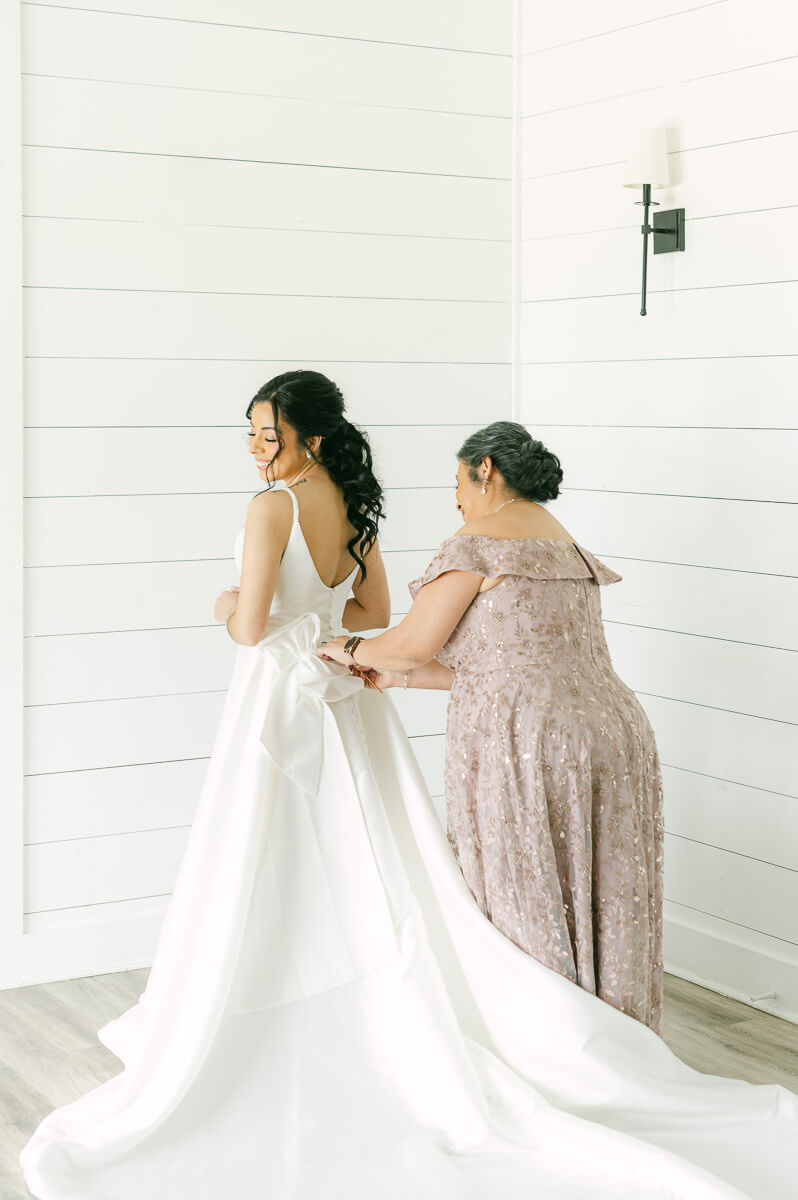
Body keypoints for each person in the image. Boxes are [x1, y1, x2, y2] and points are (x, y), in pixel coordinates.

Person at [20, 379, 798, 1199]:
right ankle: (547, 1029)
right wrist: (342, 644)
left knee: (265, 850)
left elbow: (257, 628)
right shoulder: (362, 513)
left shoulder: (277, 512)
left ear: (310, 441)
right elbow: (375, 609)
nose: (256, 449)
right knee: (374, 852)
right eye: (249, 434)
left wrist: (227, 607)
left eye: (269, 435)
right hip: (370, 692)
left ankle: (275, 1008)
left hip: (292, 691)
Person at [320, 421, 663, 1032]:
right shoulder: (566, 545)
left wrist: (347, 647)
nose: (455, 497)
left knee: (522, 889)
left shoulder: (476, 541)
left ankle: (544, 1042)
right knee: (603, 887)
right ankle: (613, 1042)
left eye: (457, 480)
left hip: (527, 740)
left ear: (486, 469)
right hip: (612, 730)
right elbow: (507, 663)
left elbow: (409, 643)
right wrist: (398, 679)